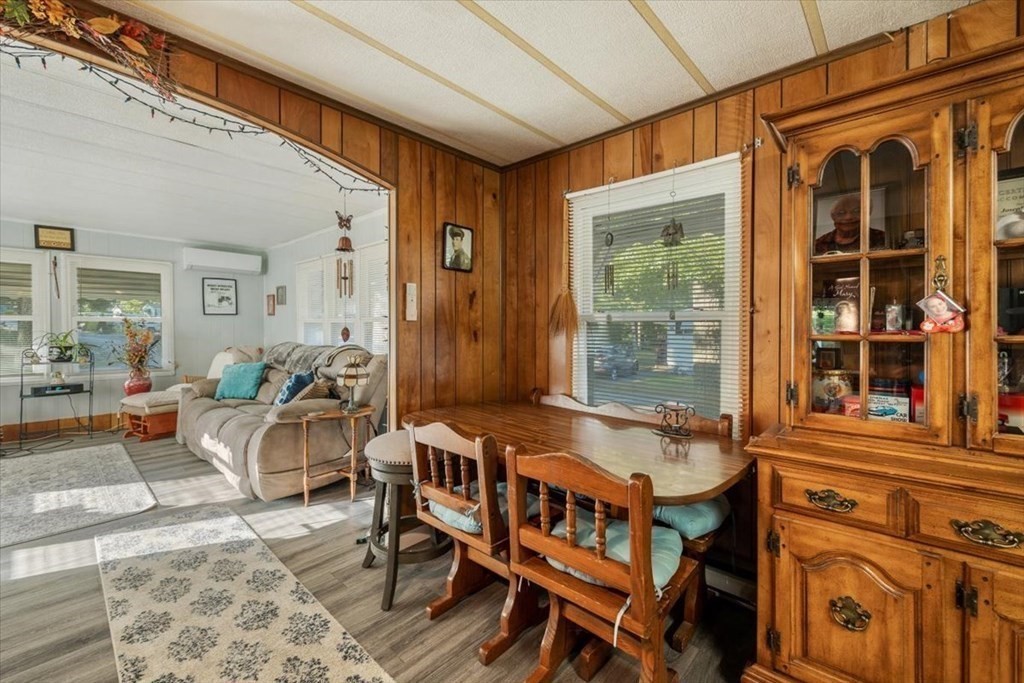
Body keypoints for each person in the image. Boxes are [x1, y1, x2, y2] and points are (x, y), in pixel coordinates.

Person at [815, 194, 887, 255]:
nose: (848, 217)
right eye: (841, 213)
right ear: (833, 217)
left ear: (867, 214)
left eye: (856, 211)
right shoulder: (819, 243)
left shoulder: (881, 238)